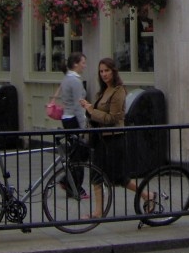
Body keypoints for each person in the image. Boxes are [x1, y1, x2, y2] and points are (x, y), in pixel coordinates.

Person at [79, 57, 154, 216]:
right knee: (96, 175)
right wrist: (89, 109)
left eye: (107, 70)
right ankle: (98, 212)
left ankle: (148, 195)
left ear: (114, 71)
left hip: (114, 138)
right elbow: (99, 115)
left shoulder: (118, 91)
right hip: (100, 138)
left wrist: (91, 110)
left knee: (119, 178)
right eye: (101, 71)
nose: (104, 74)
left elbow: (112, 118)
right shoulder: (103, 90)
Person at [57, 52, 88, 199]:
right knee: (79, 155)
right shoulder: (75, 81)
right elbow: (78, 105)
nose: (84, 65)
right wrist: (83, 127)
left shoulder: (66, 79)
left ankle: (67, 181)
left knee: (75, 153)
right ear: (75, 64)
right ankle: (75, 186)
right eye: (83, 62)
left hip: (67, 118)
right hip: (74, 119)